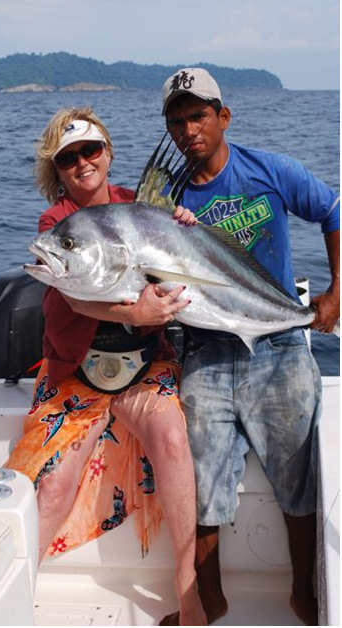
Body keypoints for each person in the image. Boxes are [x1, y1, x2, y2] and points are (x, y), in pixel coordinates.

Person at [5, 107, 207, 626]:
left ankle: (189, 592)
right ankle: (13, 600)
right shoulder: (57, 223)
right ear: (57, 168)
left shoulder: (140, 207)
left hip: (144, 365)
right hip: (75, 370)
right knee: (52, 485)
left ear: (108, 152)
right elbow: (73, 296)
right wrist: (134, 313)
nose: (82, 162)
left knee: (173, 440)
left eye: (90, 150)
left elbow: (179, 266)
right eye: (68, 157)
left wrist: (183, 225)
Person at [158, 68, 340, 626]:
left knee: (297, 477)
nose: (189, 130)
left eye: (199, 116)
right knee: (199, 482)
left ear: (224, 116)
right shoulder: (169, 200)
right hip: (207, 350)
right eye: (177, 122)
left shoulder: (270, 170)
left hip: (280, 342)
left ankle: (304, 596)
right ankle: (209, 600)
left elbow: (333, 210)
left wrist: (337, 291)